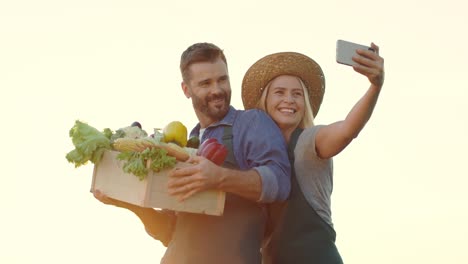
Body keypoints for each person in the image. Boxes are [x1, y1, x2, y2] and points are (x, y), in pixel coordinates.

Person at [94, 42, 291, 264]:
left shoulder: (251, 122)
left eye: (222, 80)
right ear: (186, 90)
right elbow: (169, 231)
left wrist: (218, 177)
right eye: (205, 83)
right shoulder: (185, 143)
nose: (217, 90)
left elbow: (280, 182)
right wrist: (126, 203)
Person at [241, 43, 385, 264]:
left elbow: (348, 130)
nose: (289, 99)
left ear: (304, 103)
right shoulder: (255, 160)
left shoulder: (311, 141)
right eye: (280, 92)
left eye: (297, 94)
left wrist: (375, 86)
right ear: (265, 101)